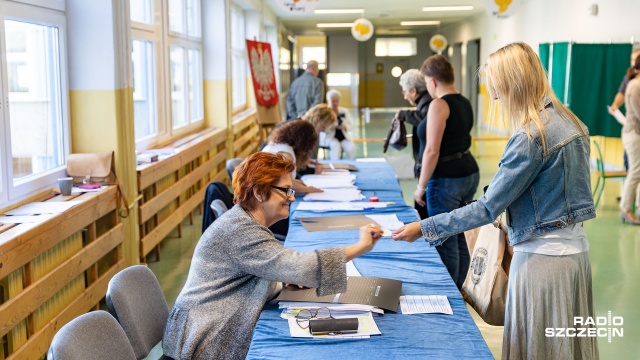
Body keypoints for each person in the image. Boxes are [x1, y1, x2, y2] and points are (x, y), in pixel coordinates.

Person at [392, 42, 598, 359]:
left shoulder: (532, 136)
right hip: (575, 256)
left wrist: (425, 227)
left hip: (541, 262)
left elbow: (487, 208)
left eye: (497, 88)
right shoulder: (573, 124)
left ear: (513, 83)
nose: (497, 97)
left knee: (536, 347)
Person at [163, 152, 383, 359]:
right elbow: (301, 266)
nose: (291, 198)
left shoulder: (244, 222)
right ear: (259, 192)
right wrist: (361, 246)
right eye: (285, 190)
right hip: (206, 338)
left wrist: (282, 278)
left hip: (208, 323)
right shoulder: (240, 231)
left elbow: (268, 267)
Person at [413, 55, 479, 289]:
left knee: (444, 238)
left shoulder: (439, 104)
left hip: (447, 179)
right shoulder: (464, 101)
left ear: (431, 81)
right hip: (468, 173)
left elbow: (432, 150)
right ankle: (459, 287)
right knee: (460, 234)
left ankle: (447, 291)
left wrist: (421, 186)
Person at [395, 69, 433, 219]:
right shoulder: (426, 102)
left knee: (425, 211)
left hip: (428, 167)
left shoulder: (428, 103)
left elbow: (423, 119)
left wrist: (403, 114)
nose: (404, 96)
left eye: (405, 92)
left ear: (413, 91)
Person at [608, 49, 640, 170]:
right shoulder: (631, 80)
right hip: (633, 129)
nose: (634, 63)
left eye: (636, 59)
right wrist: (615, 105)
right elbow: (621, 93)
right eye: (632, 60)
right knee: (632, 170)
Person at [620, 55, 640, 225]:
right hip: (634, 134)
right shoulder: (635, 86)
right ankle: (626, 208)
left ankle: (637, 207)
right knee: (635, 171)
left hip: (636, 134)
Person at [324, 89, 356, 160]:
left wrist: (344, 127)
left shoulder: (344, 111)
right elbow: (322, 128)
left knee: (351, 148)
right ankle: (335, 166)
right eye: (333, 101)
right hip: (330, 137)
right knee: (335, 147)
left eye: (337, 101)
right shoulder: (325, 113)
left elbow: (351, 124)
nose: (335, 103)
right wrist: (332, 126)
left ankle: (349, 165)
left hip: (343, 136)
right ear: (328, 101)